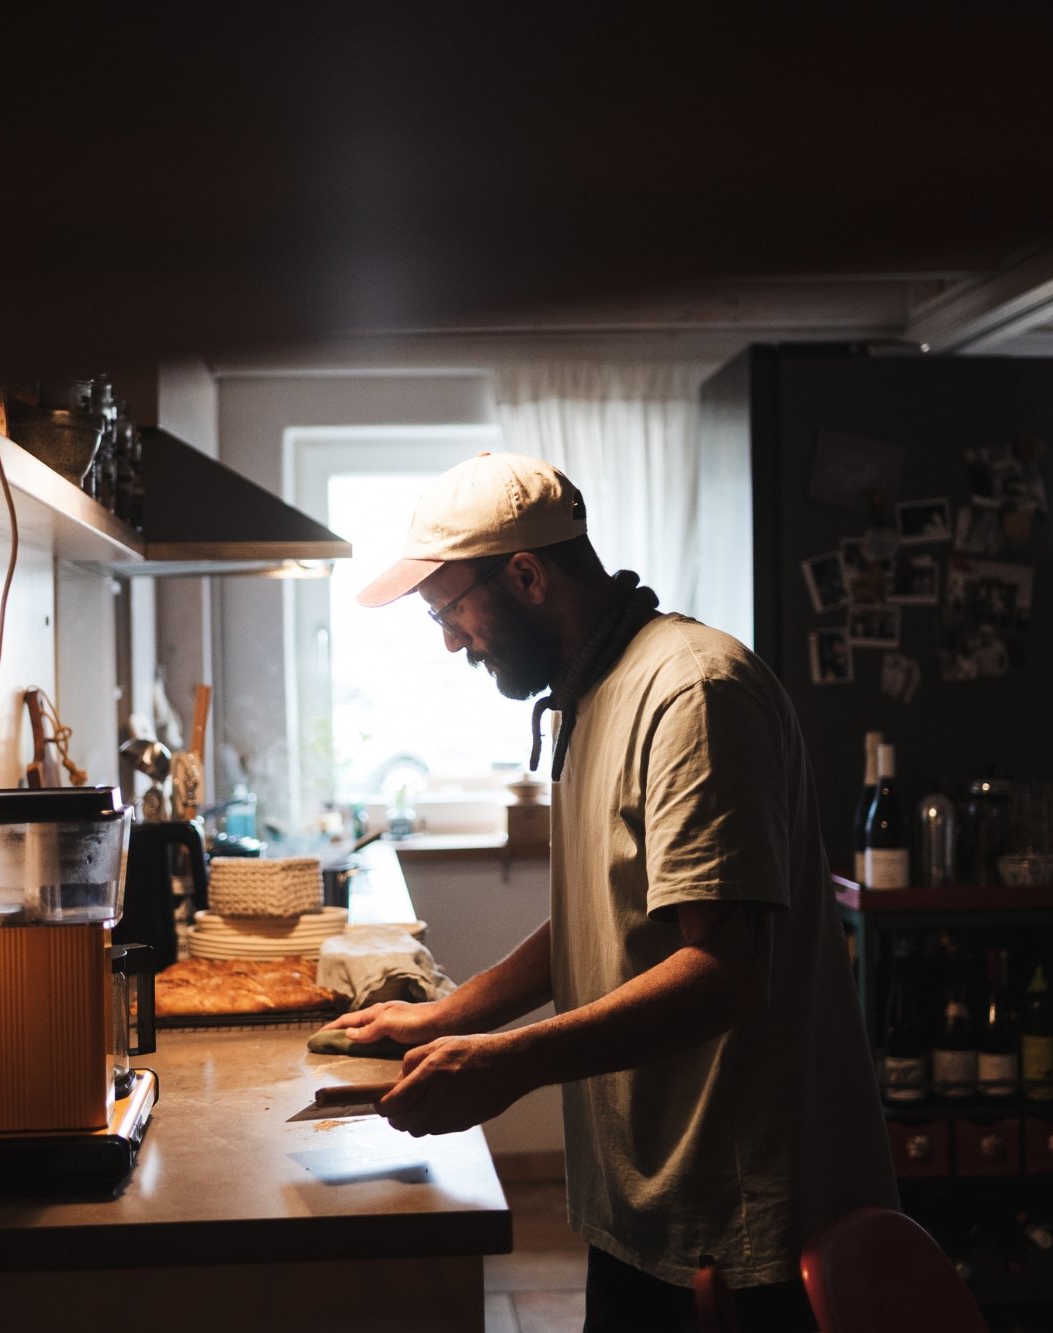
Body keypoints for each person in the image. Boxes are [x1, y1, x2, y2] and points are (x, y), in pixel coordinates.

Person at [322, 451, 898, 1331]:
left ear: (526, 575)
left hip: (739, 1220)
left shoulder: (693, 693)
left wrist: (508, 1062)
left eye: (450, 609)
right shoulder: (591, 693)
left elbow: (725, 970)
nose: (448, 640)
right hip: (647, 1204)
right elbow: (611, 906)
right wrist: (454, 1015)